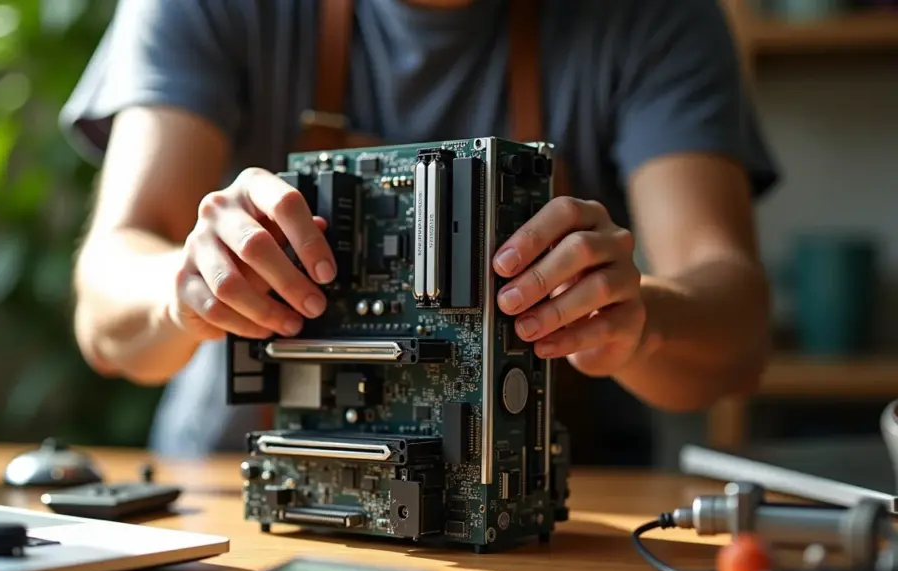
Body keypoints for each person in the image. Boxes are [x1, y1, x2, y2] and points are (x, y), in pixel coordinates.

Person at [61, 0, 779, 464]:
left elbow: (737, 331)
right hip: (245, 494)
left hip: (554, 520)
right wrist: (183, 287)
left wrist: (642, 317)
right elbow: (106, 311)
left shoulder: (655, 19)